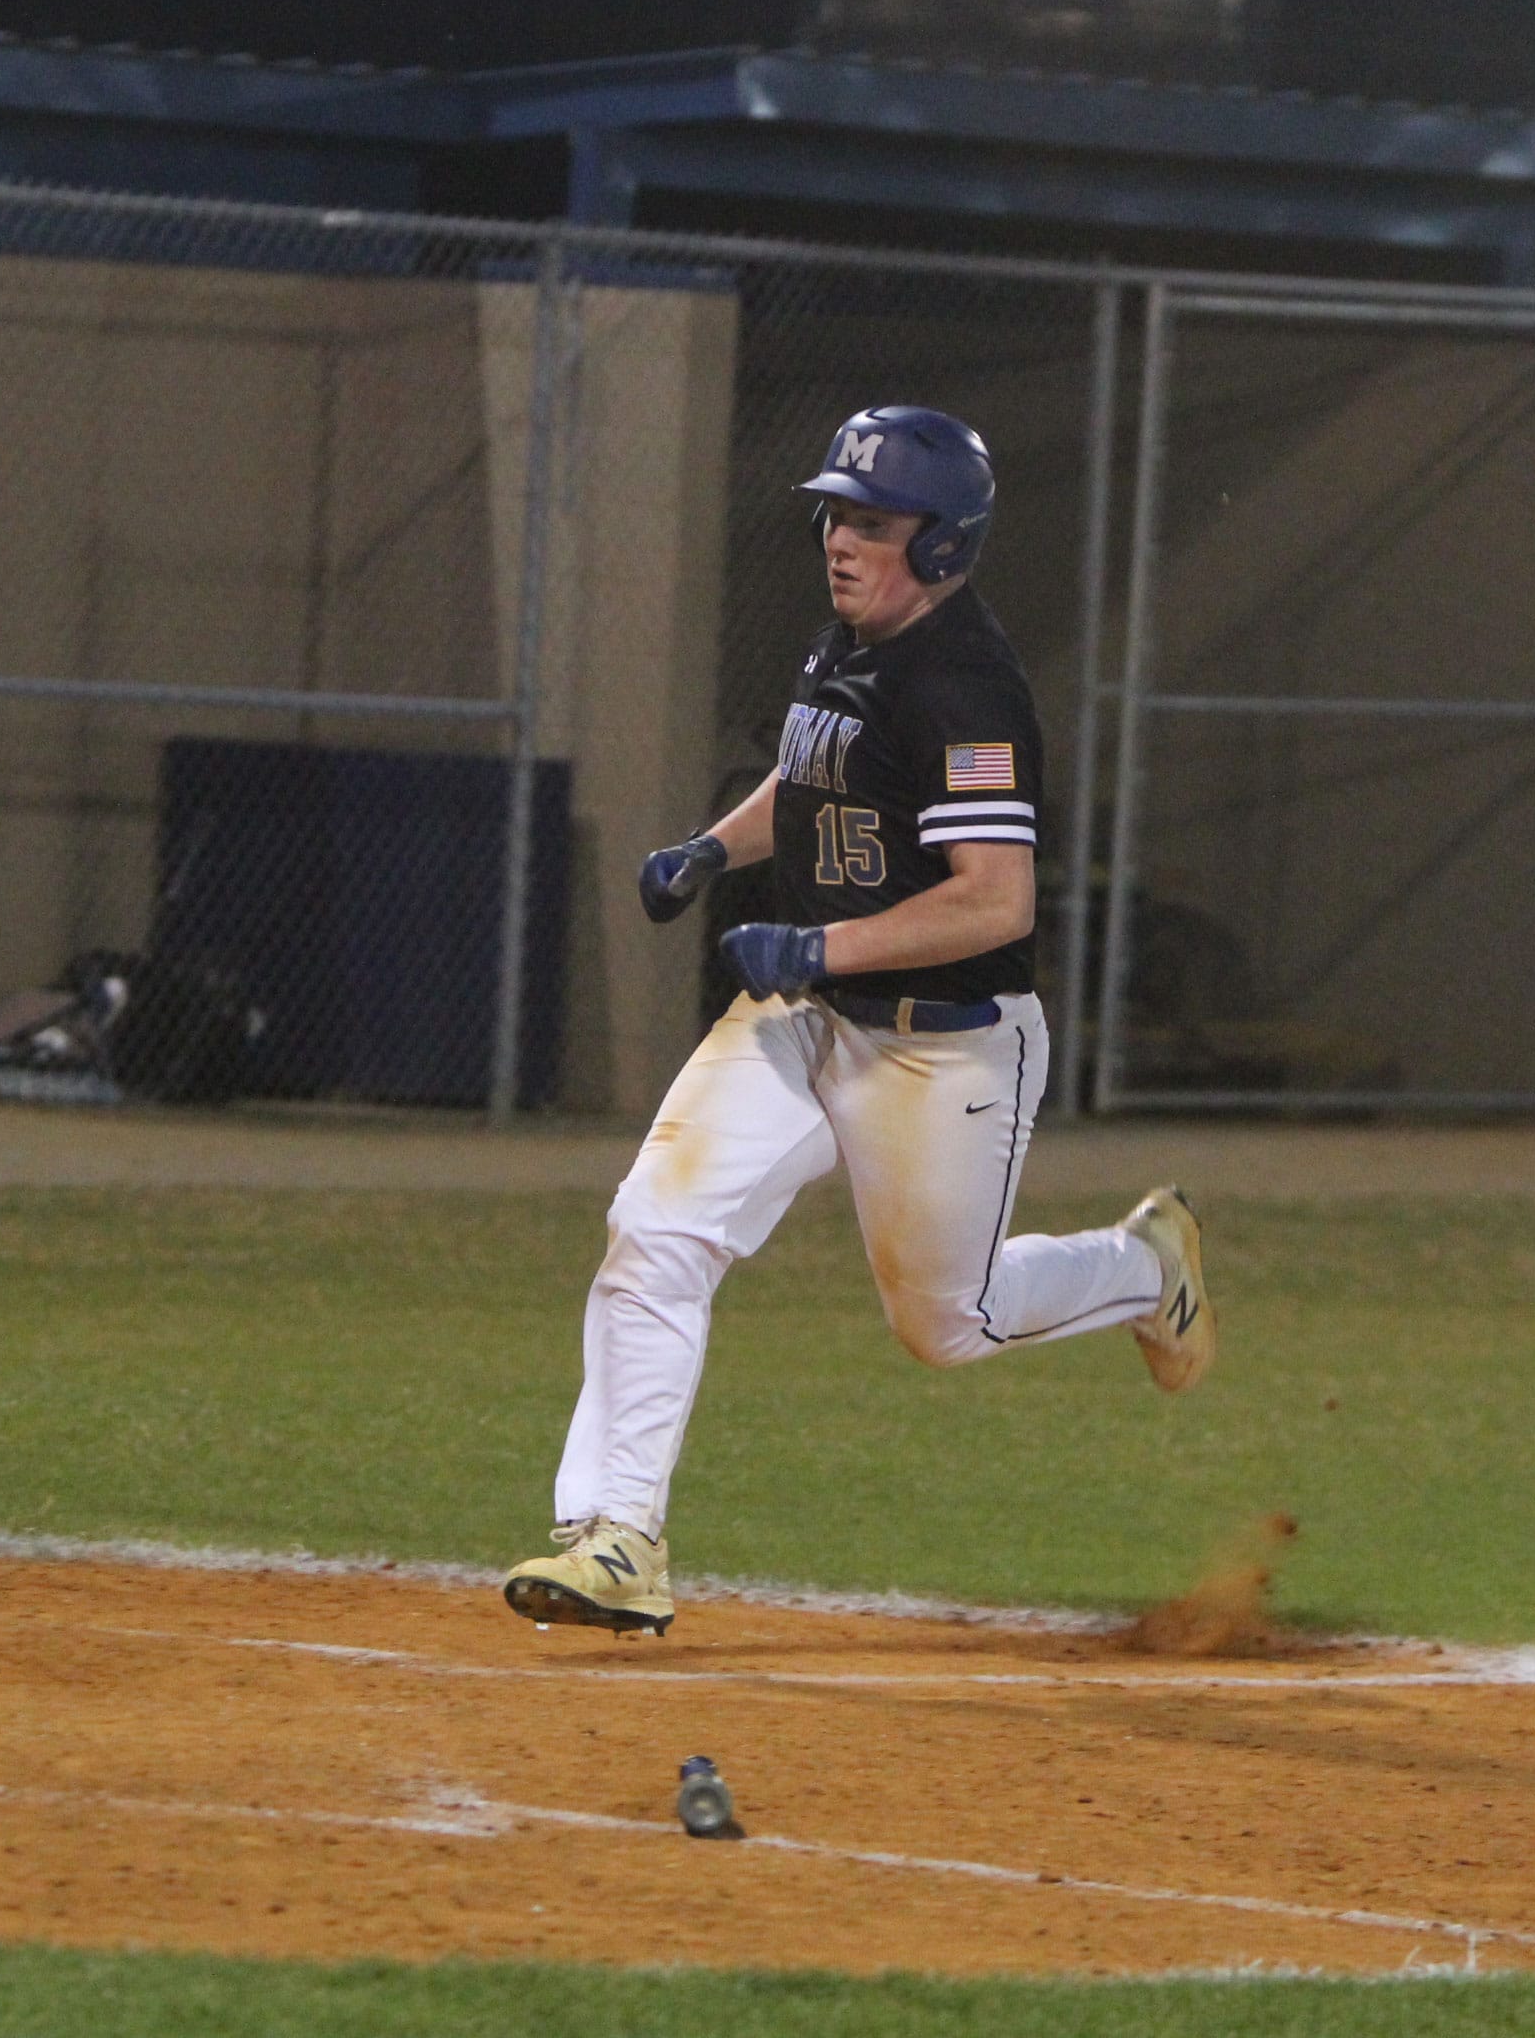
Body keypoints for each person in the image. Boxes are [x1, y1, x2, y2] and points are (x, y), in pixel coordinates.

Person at [499, 406, 1212, 1637]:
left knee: (948, 1323)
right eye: (836, 513)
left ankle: (1147, 1267)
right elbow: (816, 775)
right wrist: (710, 850)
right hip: (803, 1018)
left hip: (945, 1046)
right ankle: (619, 1535)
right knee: (657, 1229)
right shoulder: (849, 643)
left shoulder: (966, 687)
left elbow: (993, 900)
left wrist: (821, 940)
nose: (839, 539)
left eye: (873, 523)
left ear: (944, 545)